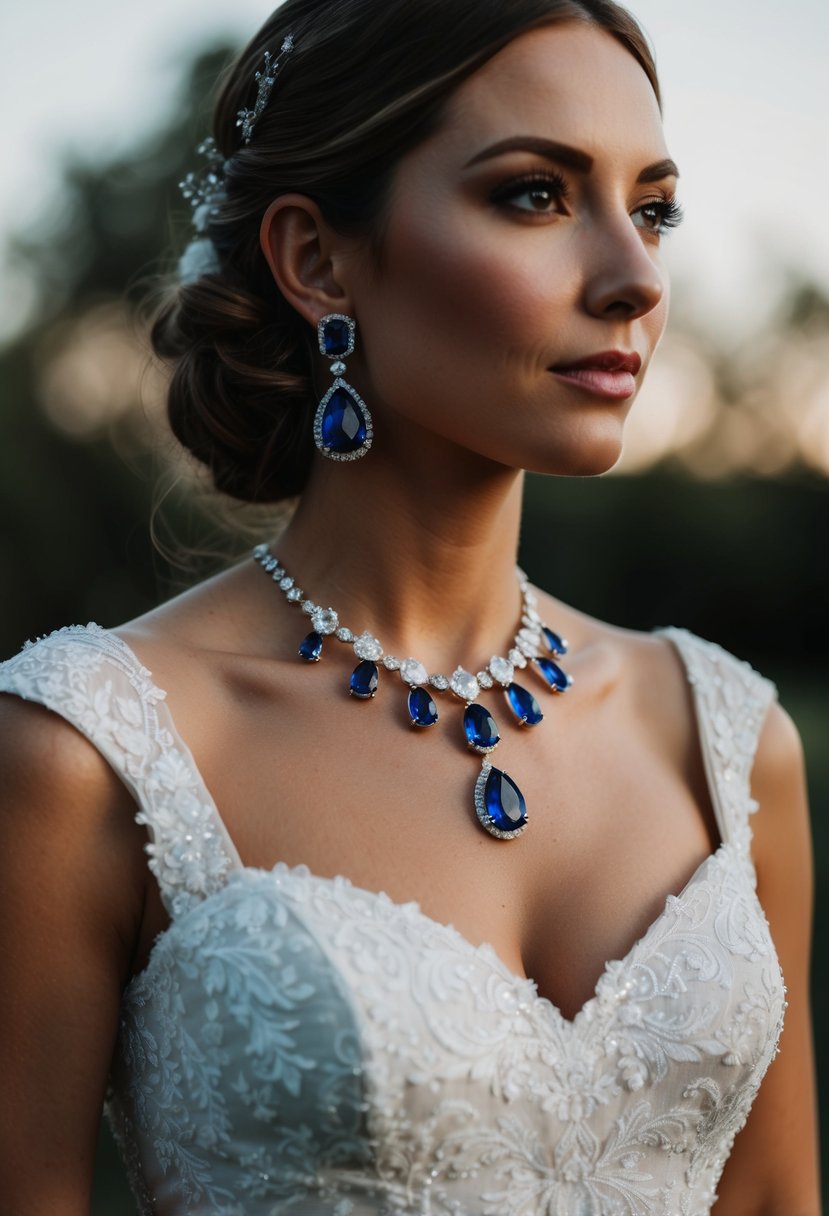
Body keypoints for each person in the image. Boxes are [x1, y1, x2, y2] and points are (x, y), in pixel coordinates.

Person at [0, 0, 820, 1212]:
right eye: (536, 194)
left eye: (651, 209)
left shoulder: (731, 741)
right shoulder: (84, 753)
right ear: (317, 259)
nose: (634, 277)